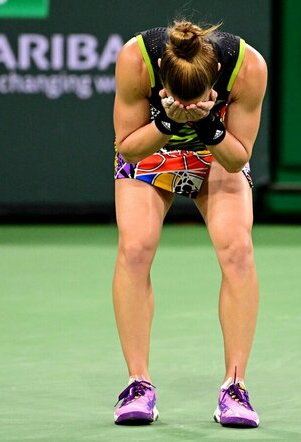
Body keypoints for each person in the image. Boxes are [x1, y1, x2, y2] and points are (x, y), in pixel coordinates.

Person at [111, 19, 267, 428]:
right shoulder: (136, 58)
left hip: (217, 152)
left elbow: (237, 157)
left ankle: (235, 388)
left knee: (238, 249)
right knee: (135, 248)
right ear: (161, 68)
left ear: (215, 75)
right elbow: (127, 147)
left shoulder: (248, 67)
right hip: (150, 148)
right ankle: (138, 384)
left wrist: (204, 122)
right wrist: (165, 122)